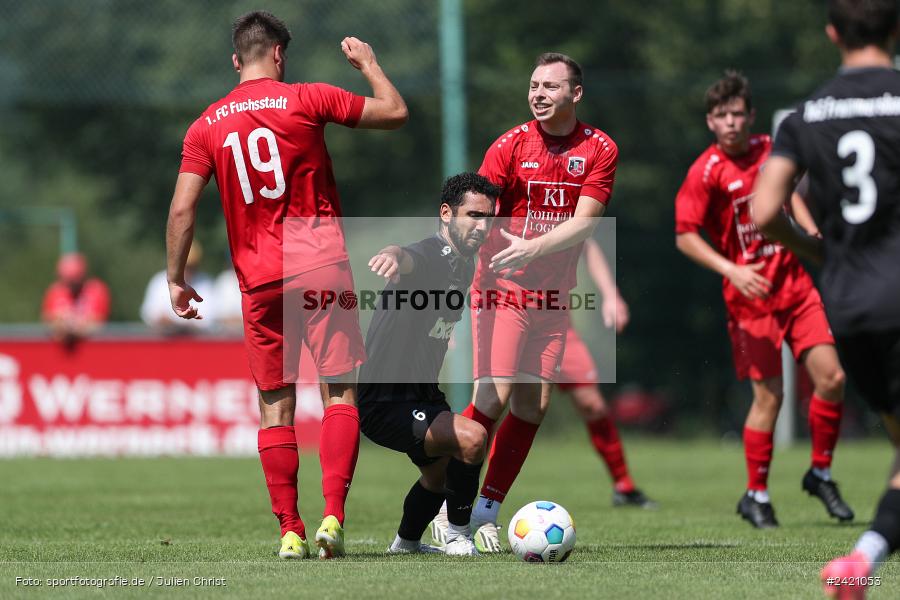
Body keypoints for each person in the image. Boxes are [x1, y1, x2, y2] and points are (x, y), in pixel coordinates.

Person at [165, 11, 407, 560]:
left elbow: (182, 209)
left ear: (236, 60)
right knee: (340, 392)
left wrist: (177, 280)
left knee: (274, 406)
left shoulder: (206, 126)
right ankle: (333, 517)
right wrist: (368, 64)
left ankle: (290, 532)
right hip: (320, 266)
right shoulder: (308, 97)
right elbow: (394, 112)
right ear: (279, 54)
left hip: (258, 282)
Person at [752, 0, 900, 594]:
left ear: (832, 33)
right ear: (894, 30)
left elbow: (764, 212)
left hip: (850, 305)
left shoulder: (807, 115)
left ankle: (863, 559)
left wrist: (821, 254)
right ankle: (863, 558)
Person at [447, 52, 618, 552]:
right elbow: (474, 210)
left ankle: (486, 511)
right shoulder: (511, 145)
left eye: (550, 86)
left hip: (552, 297)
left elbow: (586, 222)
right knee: (494, 396)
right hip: (501, 289)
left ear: (575, 93)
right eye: (533, 85)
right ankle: (446, 506)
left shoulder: (601, 148)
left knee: (534, 403)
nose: (538, 94)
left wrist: (533, 247)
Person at [674, 71, 853, 529]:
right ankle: (756, 494)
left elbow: (791, 195)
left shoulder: (769, 150)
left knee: (831, 377)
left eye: (738, 114)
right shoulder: (705, 171)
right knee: (769, 396)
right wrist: (731, 268)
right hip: (749, 298)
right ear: (710, 121)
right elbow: (685, 236)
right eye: (721, 115)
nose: (731, 122)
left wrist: (810, 231)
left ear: (751, 117)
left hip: (795, 286)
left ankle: (821, 472)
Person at [358, 173, 498, 556]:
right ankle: (457, 534)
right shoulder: (432, 255)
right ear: (446, 213)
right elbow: (409, 257)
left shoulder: (464, 266)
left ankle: (405, 544)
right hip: (386, 401)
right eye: (473, 215)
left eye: (489, 217)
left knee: (437, 475)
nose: (482, 226)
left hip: (421, 394)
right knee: (472, 439)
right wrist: (392, 256)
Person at [556, 238, 655, 508]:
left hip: (557, 324)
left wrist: (611, 295)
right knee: (496, 406)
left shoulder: (562, 203)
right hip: (512, 317)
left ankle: (623, 485)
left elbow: (587, 244)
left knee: (594, 405)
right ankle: (461, 493)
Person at [141, 242, 214, 334]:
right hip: (165, 341)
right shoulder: (159, 281)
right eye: (184, 265)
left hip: (196, 342)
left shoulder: (206, 283)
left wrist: (177, 325)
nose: (187, 270)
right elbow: (150, 315)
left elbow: (209, 320)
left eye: (191, 266)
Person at [42, 252, 110, 348]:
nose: (71, 284)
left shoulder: (96, 290)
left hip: (93, 350)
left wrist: (78, 331)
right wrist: (63, 328)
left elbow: (99, 322)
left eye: (74, 279)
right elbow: (49, 321)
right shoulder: (55, 291)